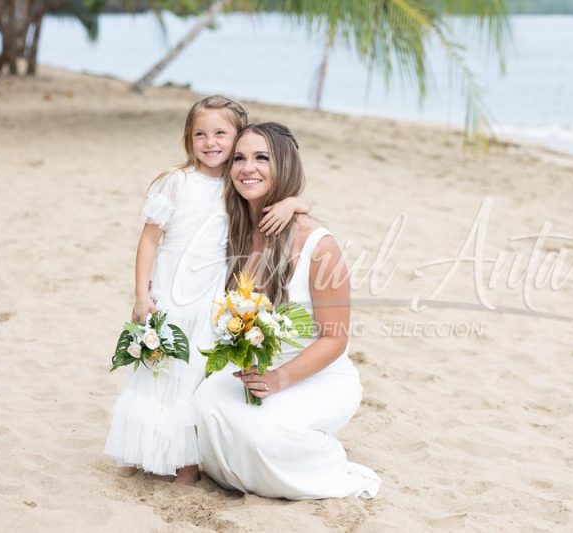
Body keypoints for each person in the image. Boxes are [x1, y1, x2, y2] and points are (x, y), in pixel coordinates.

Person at [104, 97, 309, 484]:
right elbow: (149, 240)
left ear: (238, 139)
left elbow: (289, 197)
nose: (210, 142)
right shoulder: (176, 182)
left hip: (210, 299)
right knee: (155, 372)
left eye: (220, 133)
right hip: (169, 292)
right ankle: (135, 453)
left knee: (192, 375)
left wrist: (295, 202)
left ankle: (186, 466)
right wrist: (140, 293)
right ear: (188, 138)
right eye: (200, 133)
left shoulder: (236, 188)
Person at [194, 122, 381, 499]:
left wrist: (280, 379)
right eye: (240, 158)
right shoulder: (233, 229)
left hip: (315, 374)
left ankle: (327, 461)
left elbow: (335, 339)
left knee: (263, 438)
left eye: (262, 158)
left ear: (285, 166)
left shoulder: (317, 244)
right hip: (256, 372)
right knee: (203, 407)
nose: (249, 168)